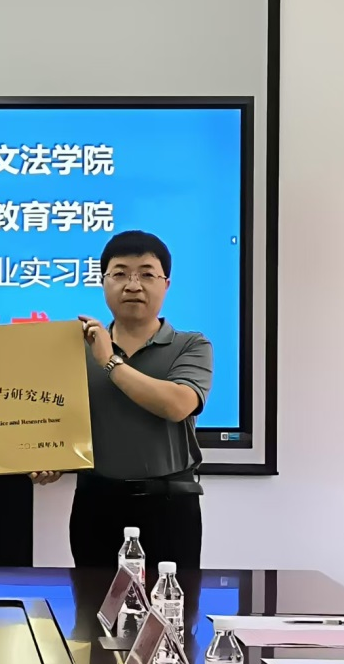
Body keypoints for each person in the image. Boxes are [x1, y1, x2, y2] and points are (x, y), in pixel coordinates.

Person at [32, 230, 212, 570]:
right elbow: (57, 421)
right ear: (103, 282)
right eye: (120, 274)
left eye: (146, 274)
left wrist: (109, 361)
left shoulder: (191, 346)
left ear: (166, 284)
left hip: (170, 505)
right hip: (96, 504)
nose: (132, 285)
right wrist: (48, 458)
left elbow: (177, 405)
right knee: (92, 601)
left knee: (171, 600)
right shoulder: (74, 350)